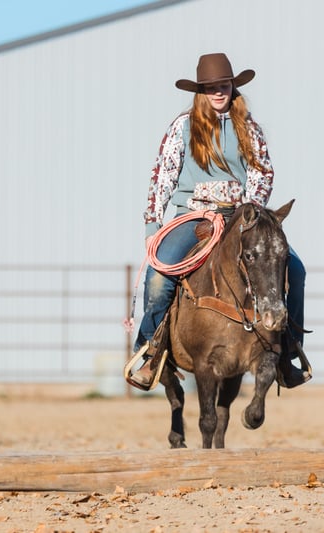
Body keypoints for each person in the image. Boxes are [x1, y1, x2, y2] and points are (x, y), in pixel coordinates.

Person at [128, 52, 310, 390]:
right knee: (159, 275)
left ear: (232, 87)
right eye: (211, 87)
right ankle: (150, 351)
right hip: (192, 216)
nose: (218, 92)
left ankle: (289, 352)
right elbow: (163, 175)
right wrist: (153, 224)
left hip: (240, 216)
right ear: (201, 91)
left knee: (295, 270)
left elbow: (262, 172)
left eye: (223, 85)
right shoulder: (182, 127)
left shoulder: (249, 127)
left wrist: (251, 209)